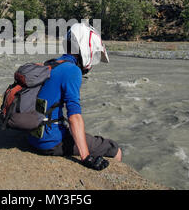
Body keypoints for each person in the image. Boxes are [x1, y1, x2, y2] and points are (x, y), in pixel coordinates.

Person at [28, 23, 122, 171]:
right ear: (86, 48)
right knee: (113, 148)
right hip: (49, 142)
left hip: (32, 136)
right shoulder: (72, 71)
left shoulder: (52, 64)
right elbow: (74, 117)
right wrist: (86, 157)